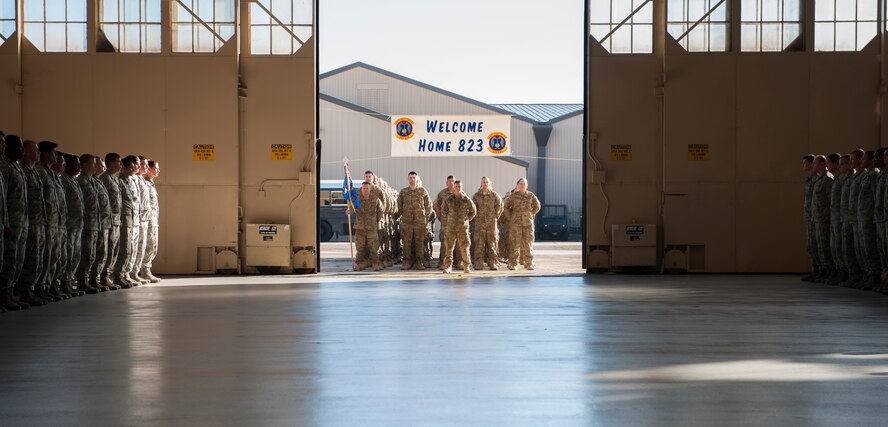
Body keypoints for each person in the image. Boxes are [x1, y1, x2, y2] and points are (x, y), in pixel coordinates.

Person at [19, 140, 51, 304]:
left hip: (38, 221)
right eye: (35, 150)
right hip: (26, 222)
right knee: (28, 258)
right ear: (25, 152)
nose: (39, 152)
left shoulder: (33, 172)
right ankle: (25, 291)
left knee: (37, 257)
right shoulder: (23, 171)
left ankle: (34, 289)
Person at [0, 135, 29, 310]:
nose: (22, 150)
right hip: (10, 223)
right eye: (18, 146)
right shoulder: (4, 167)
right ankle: (4, 295)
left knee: (16, 261)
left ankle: (9, 294)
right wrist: (7, 223)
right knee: (8, 260)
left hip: (18, 222)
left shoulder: (14, 167)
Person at [36, 141, 68, 300]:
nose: (56, 156)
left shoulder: (50, 173)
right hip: (46, 222)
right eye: (54, 153)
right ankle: (39, 288)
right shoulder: (40, 172)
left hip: (56, 223)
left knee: (53, 257)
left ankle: (47, 286)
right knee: (45, 257)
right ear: (46, 154)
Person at [113, 155, 140, 288]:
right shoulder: (119, 181)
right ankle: (117, 275)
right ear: (123, 168)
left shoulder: (130, 181)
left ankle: (123, 274)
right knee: (122, 249)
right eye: (130, 167)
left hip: (131, 219)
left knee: (129, 249)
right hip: (123, 220)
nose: (133, 169)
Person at [397, 171, 433, 270]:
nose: (412, 179)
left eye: (414, 178)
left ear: (417, 179)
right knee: (407, 243)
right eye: (410, 178)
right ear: (408, 179)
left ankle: (420, 262)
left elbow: (428, 206)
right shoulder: (403, 192)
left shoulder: (423, 191)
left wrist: (425, 218)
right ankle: (407, 262)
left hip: (420, 222)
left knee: (420, 243)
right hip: (407, 222)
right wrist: (401, 217)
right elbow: (399, 206)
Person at [504, 178, 541, 270]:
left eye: (524, 184)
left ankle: (529, 263)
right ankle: (513, 263)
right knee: (515, 244)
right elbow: (506, 207)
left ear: (526, 185)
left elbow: (537, 206)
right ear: (517, 185)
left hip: (528, 224)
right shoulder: (513, 196)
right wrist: (510, 217)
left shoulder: (530, 195)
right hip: (516, 224)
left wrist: (531, 214)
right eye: (520, 184)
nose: (522, 185)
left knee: (528, 244)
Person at [840, 149, 864, 287]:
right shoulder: (850, 179)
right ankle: (853, 275)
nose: (851, 162)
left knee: (862, 248)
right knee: (849, 248)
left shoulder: (863, 177)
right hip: (847, 218)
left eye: (852, 160)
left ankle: (865, 275)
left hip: (860, 218)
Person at [441, 180, 476, 274]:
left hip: (462, 228)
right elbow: (443, 211)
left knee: (465, 248)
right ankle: (448, 267)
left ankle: (466, 267)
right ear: (454, 187)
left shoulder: (466, 199)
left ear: (462, 187)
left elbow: (473, 211)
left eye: (459, 186)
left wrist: (467, 219)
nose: (458, 188)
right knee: (449, 248)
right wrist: (450, 219)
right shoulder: (448, 199)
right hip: (451, 228)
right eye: (456, 186)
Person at [93, 157, 116, 291]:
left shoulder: (98, 181)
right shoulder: (103, 179)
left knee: (107, 251)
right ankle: (94, 278)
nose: (102, 168)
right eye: (99, 165)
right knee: (96, 252)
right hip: (94, 222)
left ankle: (101, 277)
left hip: (105, 221)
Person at [100, 153, 123, 288]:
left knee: (114, 249)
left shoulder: (113, 179)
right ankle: (104, 276)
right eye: (118, 162)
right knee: (107, 250)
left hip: (116, 219)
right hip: (108, 220)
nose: (121, 165)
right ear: (110, 163)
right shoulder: (104, 179)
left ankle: (109, 276)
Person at [471, 176, 503, 270]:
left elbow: (500, 206)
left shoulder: (494, 195)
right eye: (483, 182)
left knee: (492, 244)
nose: (485, 184)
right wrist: (476, 218)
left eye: (487, 182)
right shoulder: (476, 196)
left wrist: (495, 216)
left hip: (491, 225)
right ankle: (478, 263)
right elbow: (472, 208)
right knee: (479, 245)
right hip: (479, 225)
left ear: (490, 184)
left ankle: (493, 263)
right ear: (481, 184)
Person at [810, 155, 833, 282]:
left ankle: (830, 271)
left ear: (823, 164)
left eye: (815, 163)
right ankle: (823, 271)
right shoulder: (818, 179)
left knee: (825, 246)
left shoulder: (828, 179)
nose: (813, 165)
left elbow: (831, 201)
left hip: (824, 219)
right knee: (819, 246)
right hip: (817, 218)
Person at [353, 182, 384, 271]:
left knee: (373, 247)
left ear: (370, 189)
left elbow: (380, 211)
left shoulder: (376, 199)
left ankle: (376, 264)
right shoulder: (357, 200)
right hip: (360, 227)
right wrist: (348, 211)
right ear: (361, 189)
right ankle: (359, 264)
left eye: (367, 188)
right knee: (360, 247)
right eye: (363, 188)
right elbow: (351, 209)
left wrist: (375, 221)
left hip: (372, 227)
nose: (365, 190)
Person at [141, 160, 161, 282]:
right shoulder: (143, 183)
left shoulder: (150, 183)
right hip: (147, 220)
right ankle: (144, 271)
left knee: (152, 246)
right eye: (156, 168)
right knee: (147, 246)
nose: (158, 170)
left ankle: (146, 270)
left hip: (152, 219)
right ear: (149, 169)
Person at [801, 154, 818, 281]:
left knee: (820, 245)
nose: (803, 166)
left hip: (819, 218)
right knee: (812, 245)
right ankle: (816, 270)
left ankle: (823, 271)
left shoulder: (818, 179)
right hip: (812, 217)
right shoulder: (810, 179)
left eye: (805, 163)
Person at [434, 176, 455, 267]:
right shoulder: (442, 194)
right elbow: (436, 205)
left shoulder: (460, 193)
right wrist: (441, 216)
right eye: (449, 181)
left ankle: (458, 262)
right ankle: (443, 262)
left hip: (457, 223)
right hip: (445, 223)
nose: (451, 183)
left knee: (458, 243)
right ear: (446, 183)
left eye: (453, 181)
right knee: (444, 243)